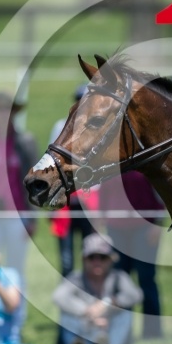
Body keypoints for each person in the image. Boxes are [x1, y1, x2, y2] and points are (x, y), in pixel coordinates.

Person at [0, 91, 39, 319]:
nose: (4, 113)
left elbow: (35, 181)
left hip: (17, 215)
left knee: (16, 267)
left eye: (8, 109)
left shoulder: (25, 142)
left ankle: (17, 317)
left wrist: (32, 217)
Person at [52, 233, 143, 344]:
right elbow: (58, 296)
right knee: (66, 314)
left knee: (126, 312)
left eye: (102, 257)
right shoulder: (76, 278)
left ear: (111, 259)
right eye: (92, 257)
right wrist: (87, 311)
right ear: (84, 259)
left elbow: (136, 295)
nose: (97, 262)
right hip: (85, 325)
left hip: (110, 326)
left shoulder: (118, 277)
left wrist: (108, 303)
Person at [98, 171, 164, 338]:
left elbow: (161, 193)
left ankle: (152, 331)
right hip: (116, 230)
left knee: (146, 278)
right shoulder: (108, 166)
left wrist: (158, 224)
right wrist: (101, 226)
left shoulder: (143, 162)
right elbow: (102, 197)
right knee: (120, 281)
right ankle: (122, 331)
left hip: (144, 228)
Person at [49, 84, 98, 277]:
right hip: (66, 199)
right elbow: (52, 163)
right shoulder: (61, 126)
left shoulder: (99, 127)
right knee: (66, 259)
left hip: (90, 197)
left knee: (92, 253)